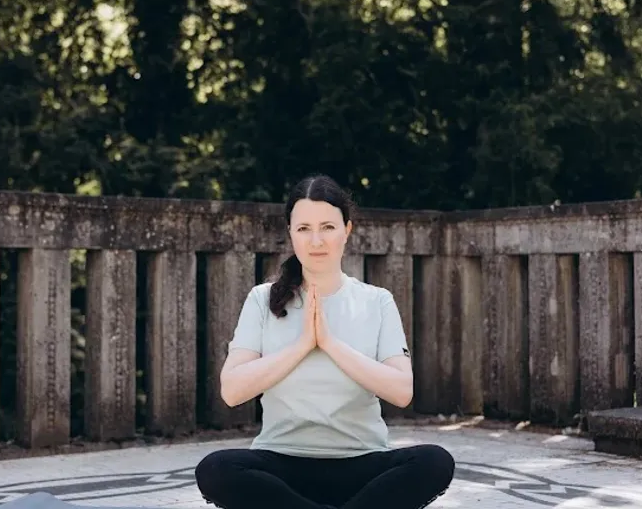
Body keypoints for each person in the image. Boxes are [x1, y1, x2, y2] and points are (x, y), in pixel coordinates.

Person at [194, 175, 456, 509]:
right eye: (303, 228)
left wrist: (330, 343)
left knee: (434, 461)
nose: (316, 240)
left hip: (361, 464)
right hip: (282, 463)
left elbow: (401, 391)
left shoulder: (376, 301)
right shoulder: (262, 299)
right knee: (217, 469)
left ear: (347, 230)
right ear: (290, 233)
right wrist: (303, 345)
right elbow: (232, 391)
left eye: (328, 227)